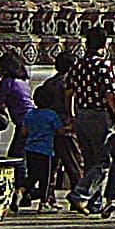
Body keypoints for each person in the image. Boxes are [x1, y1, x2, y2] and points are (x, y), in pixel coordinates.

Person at [66, 26, 115, 215]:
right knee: (104, 161)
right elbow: (110, 93)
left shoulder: (77, 65)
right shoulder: (103, 65)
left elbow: (69, 91)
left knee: (90, 160)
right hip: (99, 115)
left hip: (81, 114)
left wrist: (70, 114)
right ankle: (80, 194)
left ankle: (94, 202)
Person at [35, 49, 84, 196]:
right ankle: (78, 194)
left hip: (51, 127)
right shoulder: (70, 84)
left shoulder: (49, 83)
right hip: (66, 126)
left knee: (51, 164)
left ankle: (48, 195)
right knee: (73, 163)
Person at [0, 51, 34, 196]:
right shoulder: (22, 82)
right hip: (31, 119)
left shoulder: (8, 82)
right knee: (24, 156)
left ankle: (21, 189)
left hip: (24, 122)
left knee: (17, 157)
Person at [22, 98, 64, 211]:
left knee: (32, 175)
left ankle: (21, 190)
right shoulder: (51, 114)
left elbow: (24, 131)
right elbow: (60, 130)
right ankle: (44, 202)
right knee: (46, 178)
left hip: (30, 149)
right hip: (46, 150)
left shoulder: (30, 113)